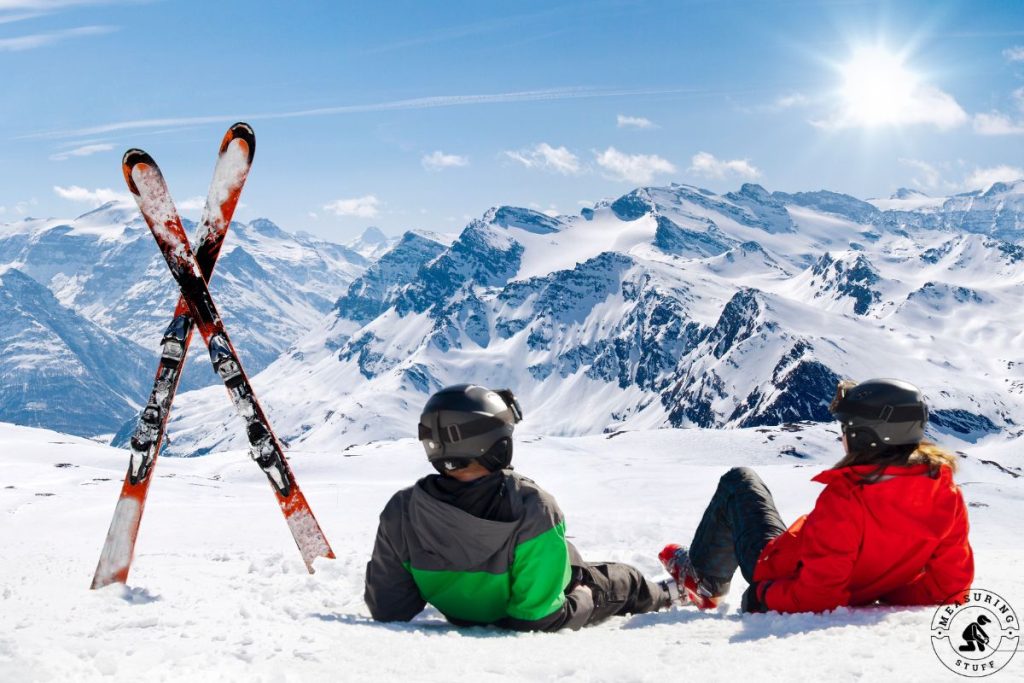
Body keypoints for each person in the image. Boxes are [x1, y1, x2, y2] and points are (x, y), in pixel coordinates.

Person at [365, 384, 673, 630]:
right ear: (496, 445)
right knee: (625, 581)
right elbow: (538, 618)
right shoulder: (533, 509)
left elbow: (389, 608)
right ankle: (673, 594)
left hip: (493, 596)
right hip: (560, 584)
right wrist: (584, 596)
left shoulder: (401, 511)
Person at [660, 378, 974, 614]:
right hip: (817, 563)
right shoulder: (945, 492)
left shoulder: (849, 498)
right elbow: (949, 587)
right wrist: (884, 592)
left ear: (866, 437)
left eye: (848, 428)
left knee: (739, 482)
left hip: (777, 568)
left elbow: (817, 595)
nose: (843, 436)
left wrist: (763, 594)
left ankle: (703, 580)